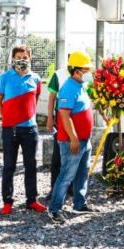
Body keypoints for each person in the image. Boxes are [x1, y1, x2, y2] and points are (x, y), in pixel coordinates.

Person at [0, 45, 45, 215]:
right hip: (10, 129)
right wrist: (6, 117)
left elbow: (35, 99)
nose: (22, 59)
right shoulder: (4, 78)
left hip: (30, 129)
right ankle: (7, 201)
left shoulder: (36, 78)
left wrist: (28, 116)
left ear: (30, 58)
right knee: (9, 166)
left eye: (25, 56)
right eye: (19, 56)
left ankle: (32, 200)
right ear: (13, 58)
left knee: (31, 165)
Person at [48, 51, 97, 224]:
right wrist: (74, 138)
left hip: (84, 140)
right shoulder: (68, 87)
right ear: (76, 71)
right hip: (72, 141)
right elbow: (64, 115)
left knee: (82, 172)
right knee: (67, 175)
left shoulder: (80, 86)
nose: (89, 73)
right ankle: (54, 209)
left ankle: (79, 204)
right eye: (86, 69)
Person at [46, 54, 71, 198]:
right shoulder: (59, 75)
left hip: (77, 117)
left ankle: (72, 188)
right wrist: (50, 117)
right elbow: (51, 98)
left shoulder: (86, 76)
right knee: (58, 155)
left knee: (76, 154)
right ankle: (54, 187)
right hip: (61, 118)